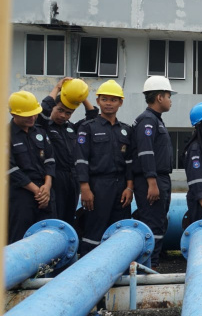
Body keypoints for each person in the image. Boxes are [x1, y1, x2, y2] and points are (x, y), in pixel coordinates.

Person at [75, 80, 134, 255]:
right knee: (95, 228)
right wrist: (84, 188)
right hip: (98, 186)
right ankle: (88, 270)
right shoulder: (88, 128)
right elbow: (81, 160)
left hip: (121, 186)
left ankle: (117, 269)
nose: (109, 103)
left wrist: (130, 187)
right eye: (105, 99)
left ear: (121, 102)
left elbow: (130, 161)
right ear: (98, 101)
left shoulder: (126, 130)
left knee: (120, 229)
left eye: (113, 100)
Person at [38, 77, 97, 228]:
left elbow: (92, 117)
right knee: (55, 215)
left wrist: (81, 97)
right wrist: (57, 88)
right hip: (55, 177)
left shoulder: (72, 128)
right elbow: (43, 110)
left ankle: (66, 249)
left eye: (69, 113)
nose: (63, 115)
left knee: (69, 216)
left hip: (73, 178)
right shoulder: (43, 126)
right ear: (53, 108)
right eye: (60, 110)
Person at [131, 76, 176, 268]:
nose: (170, 100)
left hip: (160, 178)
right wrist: (152, 182)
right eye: (168, 95)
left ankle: (151, 264)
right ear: (159, 97)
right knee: (153, 224)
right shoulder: (148, 121)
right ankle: (149, 266)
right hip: (153, 180)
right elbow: (146, 153)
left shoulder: (155, 120)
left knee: (159, 223)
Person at [7, 91, 56, 244]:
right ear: (14, 114)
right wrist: (37, 191)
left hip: (45, 192)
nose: (32, 118)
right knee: (19, 238)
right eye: (27, 115)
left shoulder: (40, 131)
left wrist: (47, 187)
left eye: (34, 114)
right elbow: (10, 169)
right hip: (21, 194)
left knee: (48, 235)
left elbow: (50, 160)